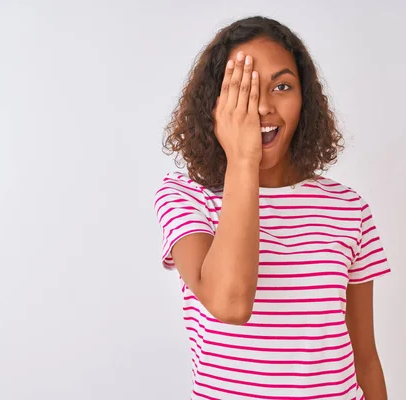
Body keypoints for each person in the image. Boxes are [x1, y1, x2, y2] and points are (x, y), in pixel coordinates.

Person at [154, 15, 391, 400]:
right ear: (216, 105)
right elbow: (230, 303)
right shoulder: (186, 196)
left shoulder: (349, 208)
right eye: (242, 89)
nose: (262, 106)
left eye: (281, 86)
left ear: (305, 100)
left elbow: (365, 357)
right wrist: (243, 161)